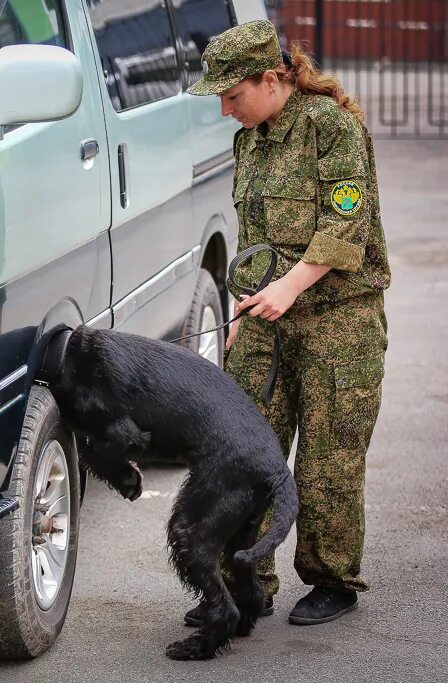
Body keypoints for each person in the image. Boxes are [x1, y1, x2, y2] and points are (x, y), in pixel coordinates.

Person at [184, 20, 391, 625]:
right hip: (268, 317)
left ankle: (331, 580)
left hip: (338, 321)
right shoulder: (251, 138)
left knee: (328, 460)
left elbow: (343, 225)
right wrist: (248, 311)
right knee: (243, 451)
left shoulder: (333, 127)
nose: (225, 109)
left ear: (271, 79)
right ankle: (244, 582)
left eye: (232, 95)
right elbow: (255, 238)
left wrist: (289, 289)